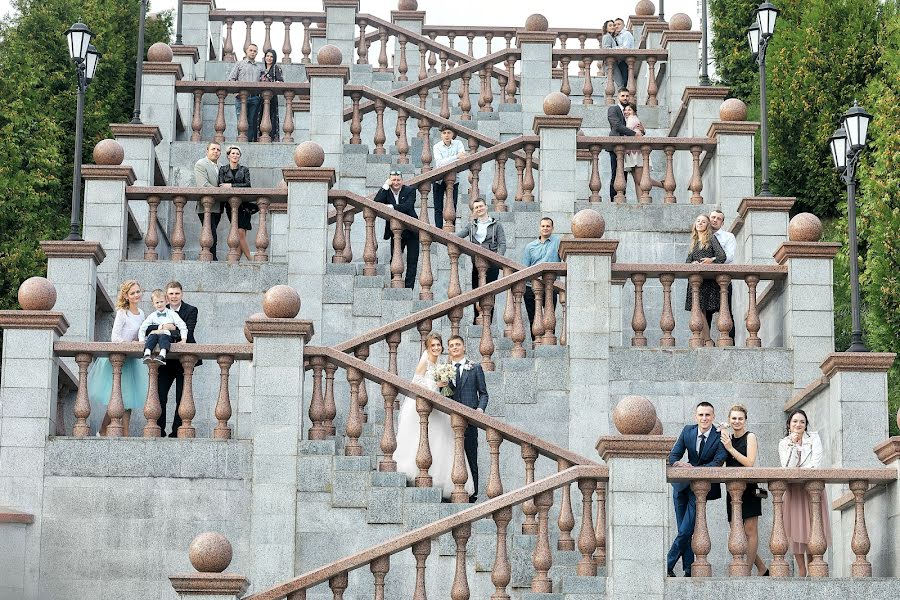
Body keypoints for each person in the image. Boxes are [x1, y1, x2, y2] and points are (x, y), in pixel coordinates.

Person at [394, 333, 475, 500]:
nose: (437, 348)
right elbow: (416, 383)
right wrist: (435, 385)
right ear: (428, 347)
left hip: (437, 404)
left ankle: (442, 479)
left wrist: (441, 386)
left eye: (438, 345)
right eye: (433, 346)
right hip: (425, 405)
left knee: (441, 439)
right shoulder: (425, 361)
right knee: (425, 438)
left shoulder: (439, 363)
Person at [667, 401, 729, 577]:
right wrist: (678, 463)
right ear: (696, 416)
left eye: (707, 415)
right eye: (701, 415)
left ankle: (666, 564)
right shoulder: (688, 431)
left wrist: (694, 470)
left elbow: (718, 461)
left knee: (686, 529)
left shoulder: (720, 436)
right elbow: (674, 455)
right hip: (681, 486)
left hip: (700, 489)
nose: (704, 418)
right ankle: (688, 570)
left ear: (713, 417)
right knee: (683, 530)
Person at [87, 280, 148, 436]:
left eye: (138, 291)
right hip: (117, 359)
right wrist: (130, 344)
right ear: (126, 296)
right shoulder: (122, 312)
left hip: (132, 360)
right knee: (116, 398)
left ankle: (126, 434)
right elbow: (115, 337)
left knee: (129, 399)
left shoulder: (141, 314)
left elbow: (142, 335)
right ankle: (102, 430)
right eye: (133, 293)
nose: (136, 295)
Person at [778, 409, 830, 577]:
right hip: (794, 490)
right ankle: (801, 570)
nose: (798, 425)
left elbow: (816, 462)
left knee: (812, 528)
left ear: (806, 424)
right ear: (789, 424)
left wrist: (800, 472)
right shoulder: (784, 443)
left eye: (802, 422)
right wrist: (793, 446)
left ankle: (813, 566)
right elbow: (787, 467)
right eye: (794, 422)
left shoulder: (814, 438)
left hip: (811, 489)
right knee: (796, 529)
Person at [721, 404, 769, 576]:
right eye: (733, 418)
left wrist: (730, 448)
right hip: (732, 490)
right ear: (729, 420)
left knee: (750, 531)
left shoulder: (750, 437)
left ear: (745, 420)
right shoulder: (727, 439)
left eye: (740, 418)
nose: (737, 421)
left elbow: (749, 463)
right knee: (737, 531)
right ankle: (762, 567)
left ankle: (747, 571)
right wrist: (721, 436)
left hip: (749, 488)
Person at [155, 282, 201, 437]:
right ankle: (159, 430)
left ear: (182, 294)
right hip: (165, 359)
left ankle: (177, 431)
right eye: (171, 294)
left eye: (177, 293)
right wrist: (163, 329)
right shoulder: (160, 309)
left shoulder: (191, 310)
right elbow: (150, 330)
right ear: (166, 296)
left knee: (182, 396)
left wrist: (168, 328)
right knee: (160, 395)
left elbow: (189, 332)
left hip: (184, 361)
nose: (174, 297)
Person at [447, 334, 489, 502]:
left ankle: (474, 493)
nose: (455, 347)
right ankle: (451, 490)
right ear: (449, 349)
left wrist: (480, 409)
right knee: (451, 455)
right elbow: (444, 394)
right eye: (451, 345)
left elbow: (484, 394)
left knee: (471, 454)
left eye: (458, 344)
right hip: (450, 420)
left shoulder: (475, 367)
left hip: (470, 421)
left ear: (463, 347)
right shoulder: (444, 369)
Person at [456, 197, 506, 324]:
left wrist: (497, 258)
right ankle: (476, 318)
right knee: (476, 290)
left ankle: (487, 319)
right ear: (474, 210)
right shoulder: (471, 225)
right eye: (476, 207)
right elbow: (459, 236)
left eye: (481, 206)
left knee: (490, 291)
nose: (479, 209)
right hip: (477, 262)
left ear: (486, 206)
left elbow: (502, 244)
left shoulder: (496, 224)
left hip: (492, 263)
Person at [685, 214, 726, 345]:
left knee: (700, 309)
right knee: (697, 310)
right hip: (695, 281)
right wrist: (692, 264)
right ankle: (706, 340)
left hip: (707, 280)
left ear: (707, 225)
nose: (700, 223)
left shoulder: (711, 239)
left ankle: (708, 340)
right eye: (698, 221)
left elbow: (722, 257)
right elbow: (687, 261)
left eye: (703, 222)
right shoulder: (694, 241)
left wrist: (711, 260)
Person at [374, 170, 419, 289]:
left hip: (412, 230)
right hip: (396, 232)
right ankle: (395, 284)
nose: (396, 182)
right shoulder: (387, 191)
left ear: (402, 181)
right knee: (394, 258)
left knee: (412, 261)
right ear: (390, 181)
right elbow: (376, 203)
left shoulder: (410, 191)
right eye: (393, 180)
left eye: (398, 180)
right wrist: (385, 185)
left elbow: (408, 206)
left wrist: (391, 207)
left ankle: (409, 288)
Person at [521, 217, 562, 340]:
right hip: (530, 287)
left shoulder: (558, 243)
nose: (545, 228)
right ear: (539, 228)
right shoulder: (530, 246)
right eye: (543, 226)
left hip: (551, 286)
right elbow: (524, 268)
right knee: (533, 317)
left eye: (548, 226)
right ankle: (536, 343)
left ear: (552, 228)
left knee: (550, 317)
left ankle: (549, 343)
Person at [218, 145, 257, 262]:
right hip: (231, 205)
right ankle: (250, 258)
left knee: (241, 234)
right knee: (240, 233)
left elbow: (247, 185)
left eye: (237, 154)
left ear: (240, 157)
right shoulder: (223, 169)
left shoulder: (244, 169)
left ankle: (238, 259)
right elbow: (220, 185)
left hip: (245, 206)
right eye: (233, 153)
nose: (235, 155)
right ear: (228, 156)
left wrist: (231, 185)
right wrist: (227, 186)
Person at [622, 103, 663, 200]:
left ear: (634, 111)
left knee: (640, 179)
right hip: (631, 152)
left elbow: (627, 132)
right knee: (637, 180)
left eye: (629, 110)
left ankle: (661, 184)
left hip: (637, 153)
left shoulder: (632, 119)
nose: (627, 112)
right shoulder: (629, 120)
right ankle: (640, 200)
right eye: (625, 110)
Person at [139, 289, 188, 366]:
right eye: (157, 302)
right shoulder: (152, 315)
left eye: (161, 302)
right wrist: (141, 340)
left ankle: (162, 355)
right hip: (155, 337)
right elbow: (143, 327)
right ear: (153, 304)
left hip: (167, 336)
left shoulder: (172, 314)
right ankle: (147, 353)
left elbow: (182, 325)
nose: (159, 304)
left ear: (166, 301)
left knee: (163, 336)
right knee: (152, 335)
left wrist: (184, 339)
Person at [432, 125, 468, 229]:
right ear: (441, 135)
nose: (446, 135)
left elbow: (463, 158)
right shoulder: (437, 146)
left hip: (454, 179)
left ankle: (452, 228)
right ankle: (438, 229)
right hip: (438, 180)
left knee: (453, 205)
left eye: (449, 133)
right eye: (444, 133)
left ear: (453, 134)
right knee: (438, 207)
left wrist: (449, 160)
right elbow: (439, 164)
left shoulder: (458, 144)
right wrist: (456, 157)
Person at [709, 209, 737, 340]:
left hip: (723, 281)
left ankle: (731, 342)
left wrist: (712, 260)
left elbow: (730, 257)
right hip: (706, 280)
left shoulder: (728, 237)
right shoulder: (701, 236)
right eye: (712, 217)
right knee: (706, 313)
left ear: (722, 222)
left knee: (726, 312)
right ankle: (706, 342)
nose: (714, 220)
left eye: (718, 218)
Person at [194, 141, 223, 260]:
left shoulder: (221, 167)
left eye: (218, 150)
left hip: (218, 207)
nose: (216, 151)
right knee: (211, 233)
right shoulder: (201, 164)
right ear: (207, 151)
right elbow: (203, 184)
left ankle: (210, 256)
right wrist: (222, 191)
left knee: (212, 232)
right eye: (213, 149)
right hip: (205, 206)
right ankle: (212, 258)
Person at [227, 43, 263, 142]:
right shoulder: (239, 64)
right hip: (241, 98)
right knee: (241, 121)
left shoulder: (259, 68)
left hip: (254, 98)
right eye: (251, 50)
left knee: (252, 121)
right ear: (246, 51)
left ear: (257, 53)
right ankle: (241, 142)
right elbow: (231, 79)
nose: (252, 52)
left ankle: (250, 142)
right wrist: (236, 93)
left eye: (255, 51)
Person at [607, 88, 637, 201]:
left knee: (625, 174)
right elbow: (617, 125)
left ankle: (622, 196)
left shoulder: (630, 111)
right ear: (618, 97)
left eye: (627, 96)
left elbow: (637, 124)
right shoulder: (613, 109)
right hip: (616, 146)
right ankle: (613, 198)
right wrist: (634, 134)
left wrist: (642, 131)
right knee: (615, 172)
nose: (625, 98)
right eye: (623, 96)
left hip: (628, 147)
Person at [257, 49, 284, 141]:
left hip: (271, 97)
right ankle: (260, 136)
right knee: (260, 116)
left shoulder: (276, 68)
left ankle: (272, 136)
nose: (269, 58)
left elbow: (281, 81)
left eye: (271, 56)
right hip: (261, 97)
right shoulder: (262, 69)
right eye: (267, 56)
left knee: (271, 116)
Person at [601, 20, 625, 89]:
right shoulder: (607, 36)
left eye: (613, 25)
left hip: (613, 63)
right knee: (620, 84)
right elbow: (606, 49)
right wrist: (618, 48)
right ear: (606, 28)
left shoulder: (612, 37)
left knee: (614, 83)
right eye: (610, 25)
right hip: (610, 63)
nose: (612, 27)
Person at [614, 18, 634, 86]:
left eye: (619, 24)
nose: (616, 26)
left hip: (626, 61)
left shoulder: (626, 34)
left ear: (623, 25)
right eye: (615, 25)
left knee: (624, 81)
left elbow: (626, 48)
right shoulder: (617, 36)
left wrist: (614, 49)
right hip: (620, 60)